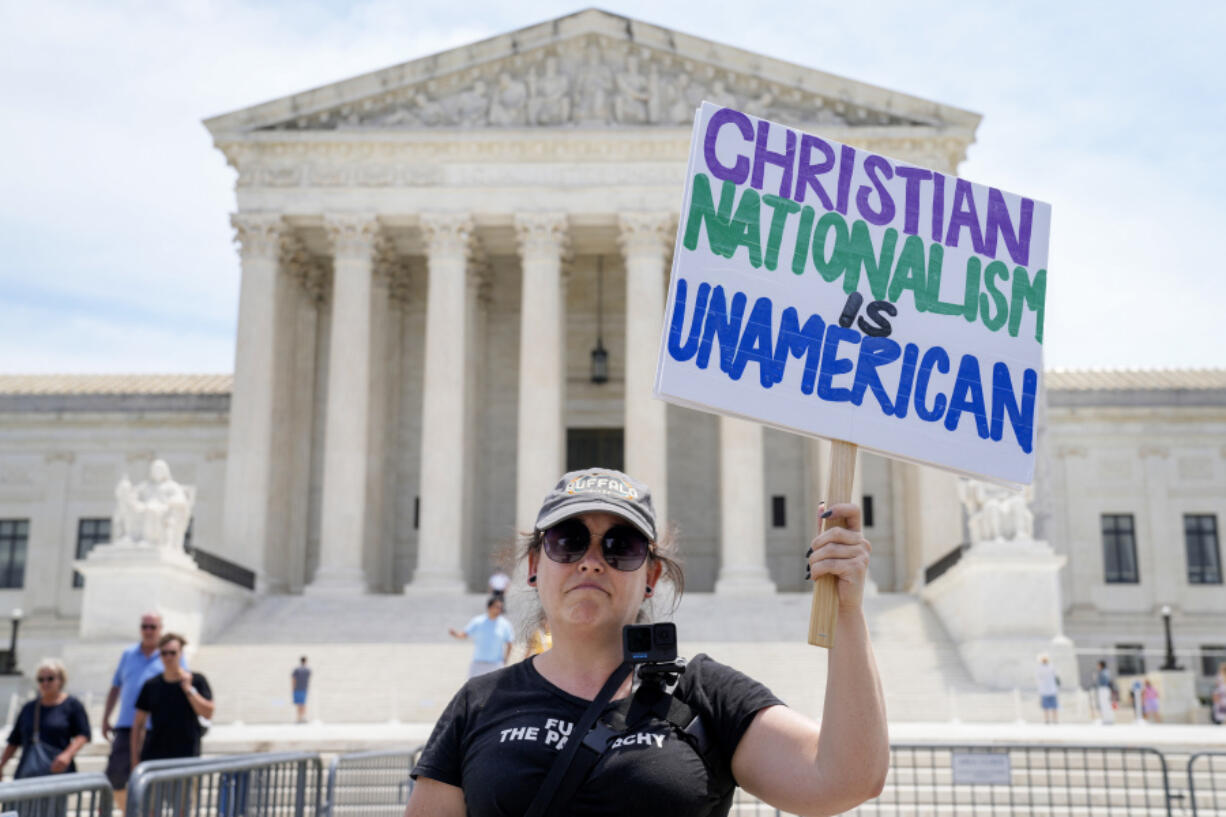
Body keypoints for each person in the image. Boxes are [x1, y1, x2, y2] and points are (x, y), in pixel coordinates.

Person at [409, 467, 888, 817]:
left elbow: (846, 780)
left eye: (622, 546)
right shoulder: (481, 704)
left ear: (652, 575)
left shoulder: (703, 697)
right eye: (568, 540)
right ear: (535, 565)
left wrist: (846, 610)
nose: (591, 562)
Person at [101, 611, 185, 810]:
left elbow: (183, 683)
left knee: (158, 781)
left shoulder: (170, 654)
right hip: (127, 725)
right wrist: (105, 718)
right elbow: (115, 686)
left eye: (152, 627)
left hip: (157, 729)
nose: (148, 631)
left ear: (160, 629)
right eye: (144, 626)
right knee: (115, 776)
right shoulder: (128, 654)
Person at [131, 634, 214, 765]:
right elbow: (138, 724)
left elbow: (208, 712)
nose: (168, 657)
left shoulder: (196, 680)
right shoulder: (151, 685)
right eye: (164, 653)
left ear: (181, 653)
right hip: (156, 760)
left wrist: (189, 689)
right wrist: (135, 761)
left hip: (188, 758)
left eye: (172, 653)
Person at [0, 659, 90, 779]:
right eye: (41, 679)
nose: (45, 683)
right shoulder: (29, 708)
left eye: (50, 679)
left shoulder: (72, 705)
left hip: (57, 772)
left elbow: (83, 734)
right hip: (29, 771)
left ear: (61, 680)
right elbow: (14, 740)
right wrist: (2, 765)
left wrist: (67, 755)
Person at [449, 597, 514, 678]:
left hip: (496, 664)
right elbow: (464, 634)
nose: (499, 610)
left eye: (500, 607)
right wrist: (455, 634)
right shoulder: (478, 621)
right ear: (489, 607)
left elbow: (509, 643)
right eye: (497, 607)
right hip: (478, 663)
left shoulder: (505, 624)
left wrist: (505, 660)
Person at [1035, 654, 1059, 724]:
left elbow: (1055, 677)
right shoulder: (1039, 668)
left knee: (1054, 707)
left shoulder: (1051, 667)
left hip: (1052, 690)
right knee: (1046, 708)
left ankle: (1055, 720)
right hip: (1044, 690)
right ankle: (1047, 720)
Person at [291, 656, 311, 724]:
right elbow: (308, 680)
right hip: (304, 688)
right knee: (303, 703)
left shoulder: (297, 670)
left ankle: (299, 718)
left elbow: (294, 679)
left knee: (299, 704)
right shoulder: (307, 670)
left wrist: (293, 688)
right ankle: (302, 717)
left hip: (297, 688)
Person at [1095, 660, 1115, 725]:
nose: (1097, 667)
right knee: (1105, 704)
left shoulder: (1104, 672)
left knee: (1105, 704)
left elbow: (1106, 681)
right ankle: (1107, 719)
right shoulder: (1105, 672)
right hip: (1104, 689)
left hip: (1104, 689)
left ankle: (1108, 719)